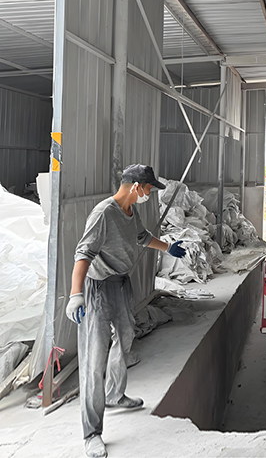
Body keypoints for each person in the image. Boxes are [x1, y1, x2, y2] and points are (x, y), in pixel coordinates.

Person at [66, 164, 187, 458]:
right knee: (95, 359)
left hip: (121, 284)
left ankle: (115, 394)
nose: (150, 194)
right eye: (148, 189)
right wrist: (75, 295)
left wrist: (167, 248)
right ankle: (92, 434)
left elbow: (142, 237)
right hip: (98, 289)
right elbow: (83, 255)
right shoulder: (104, 214)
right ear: (135, 186)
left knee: (126, 337)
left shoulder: (132, 211)